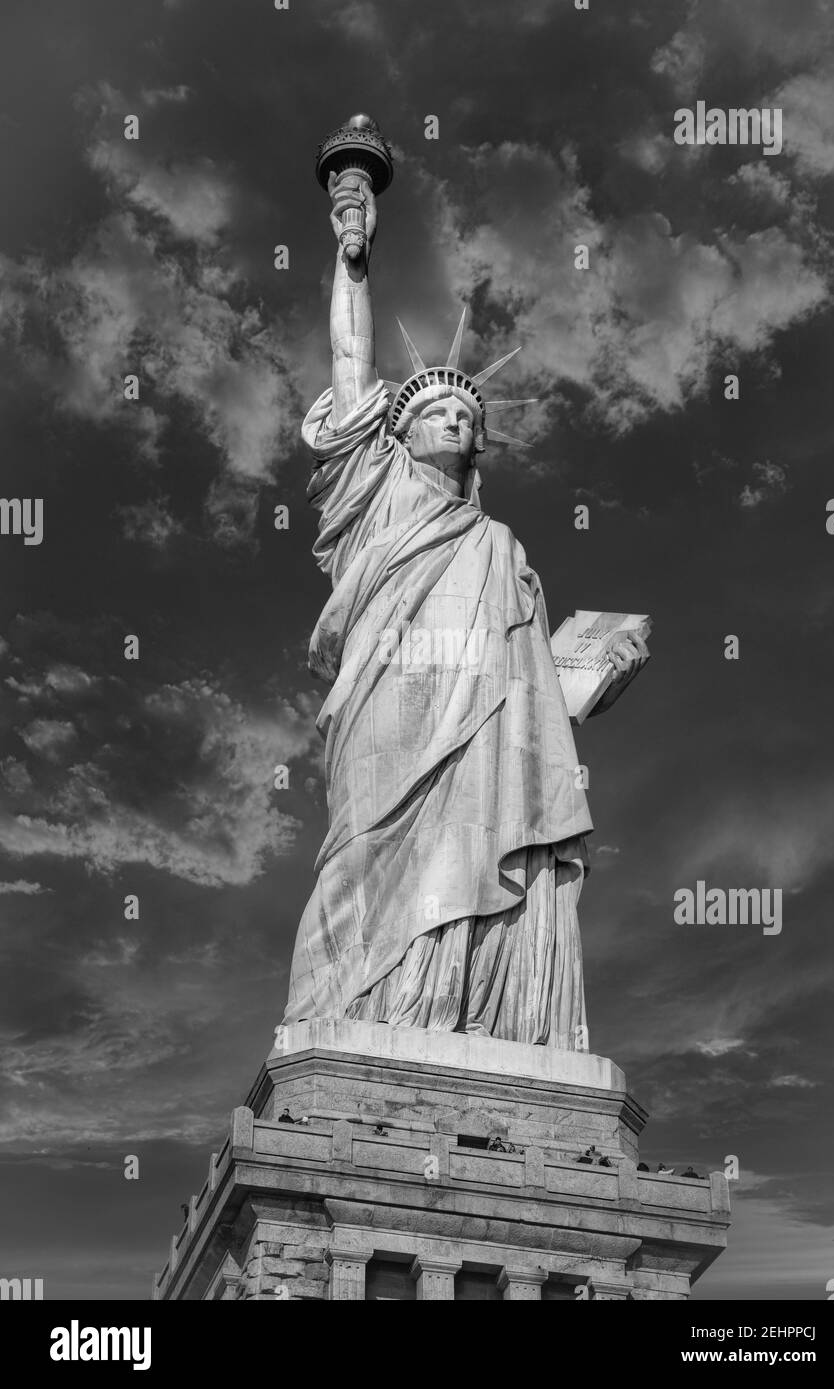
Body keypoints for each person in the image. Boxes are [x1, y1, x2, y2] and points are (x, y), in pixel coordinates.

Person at [280, 173, 648, 1049]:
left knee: (479, 840)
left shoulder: (502, 552)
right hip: (386, 705)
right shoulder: (372, 499)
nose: (449, 418)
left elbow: (531, 697)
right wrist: (350, 251)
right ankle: (347, 1013)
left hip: (482, 736)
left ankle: (467, 1012)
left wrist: (591, 676)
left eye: (462, 412)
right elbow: (348, 362)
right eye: (432, 409)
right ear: (393, 433)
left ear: (479, 442)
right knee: (362, 851)